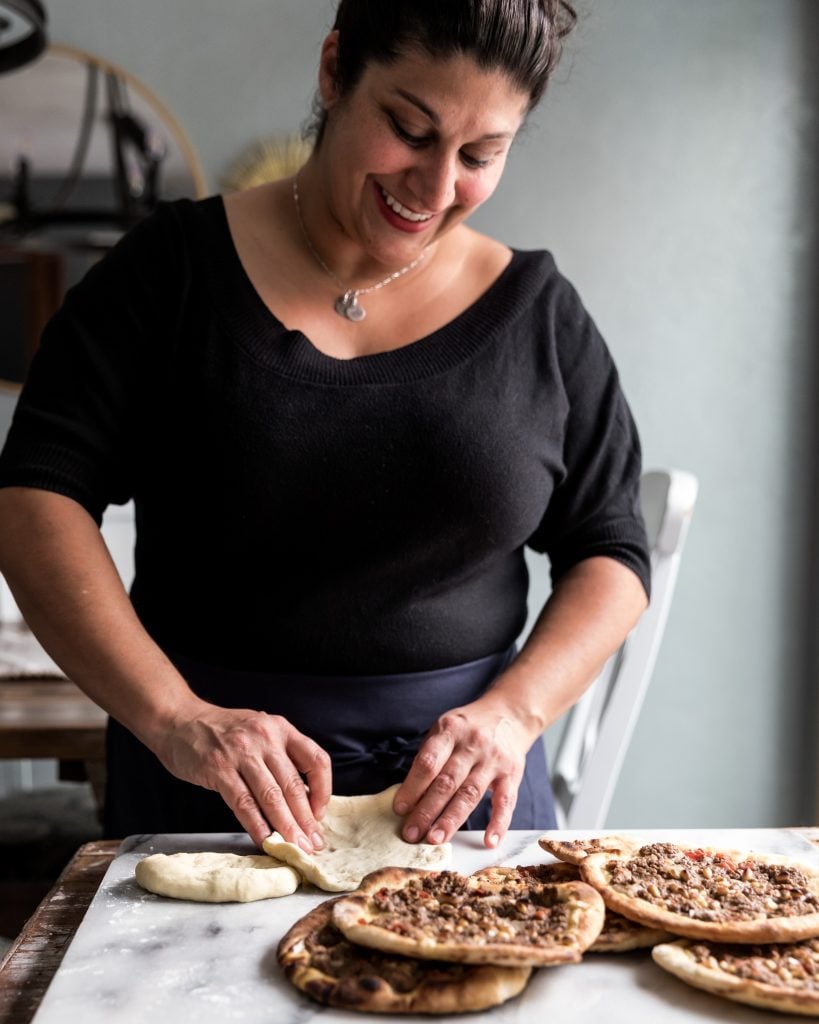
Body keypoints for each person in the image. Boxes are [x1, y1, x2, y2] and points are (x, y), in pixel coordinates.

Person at [0, 0, 650, 852]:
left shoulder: (539, 313)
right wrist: (176, 718)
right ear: (335, 69)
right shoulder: (169, 273)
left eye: (480, 155)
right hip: (213, 789)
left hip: (459, 807)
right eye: (410, 130)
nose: (436, 186)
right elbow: (35, 497)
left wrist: (514, 712)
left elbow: (610, 550)